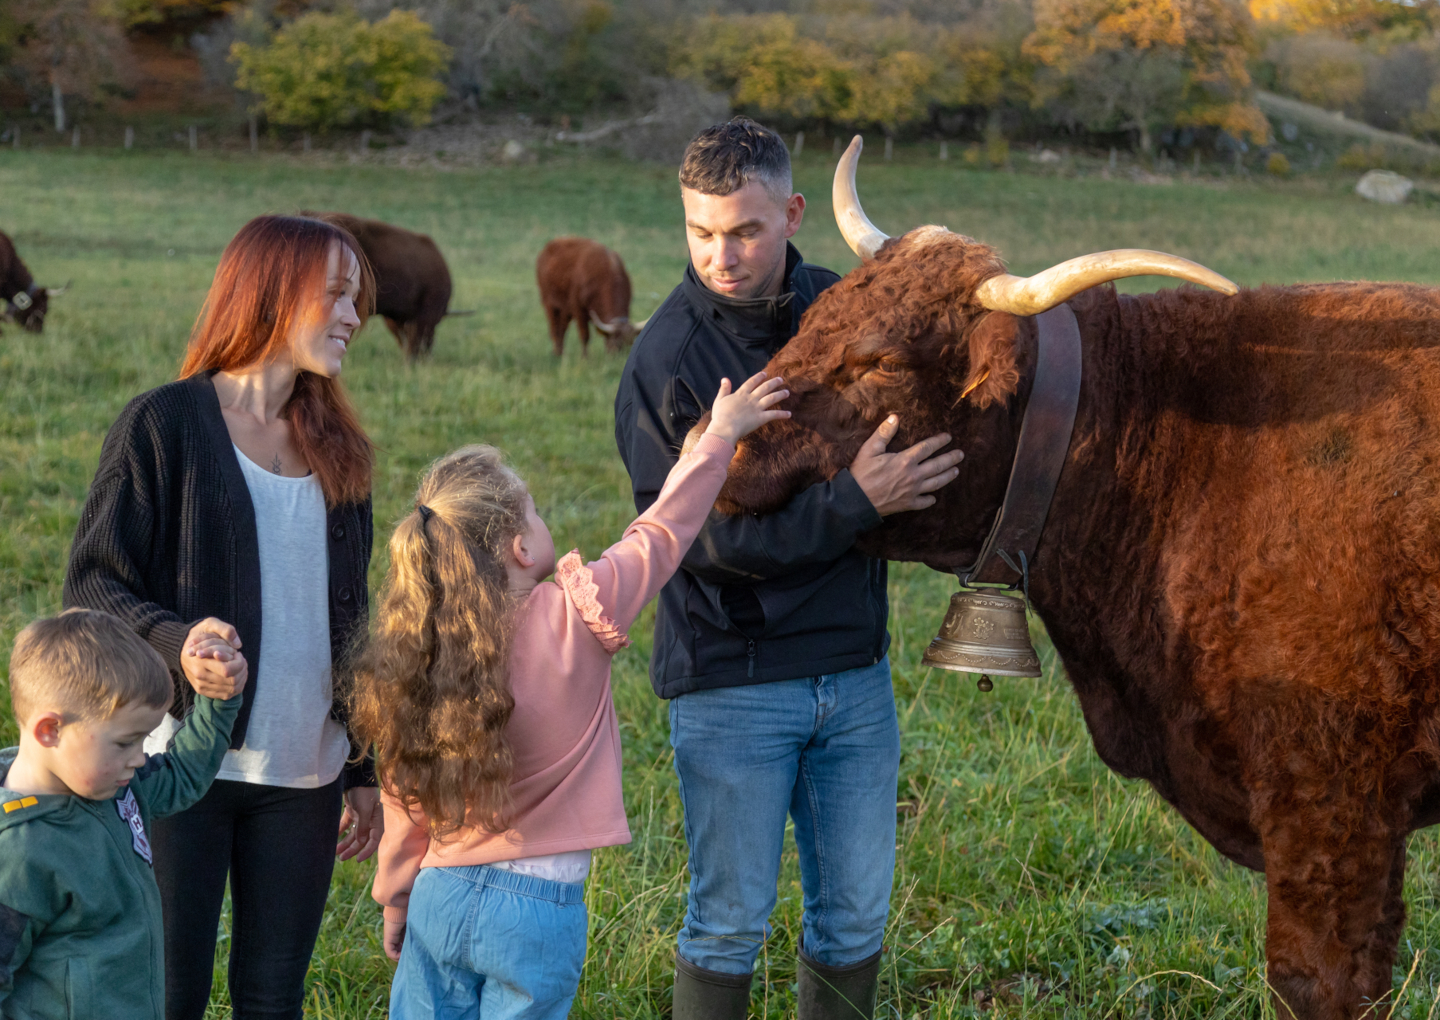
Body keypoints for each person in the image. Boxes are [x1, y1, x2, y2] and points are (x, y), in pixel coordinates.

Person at [613, 117, 965, 1020]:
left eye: (745, 230)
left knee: (854, 919)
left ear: (794, 212)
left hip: (854, 673)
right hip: (732, 683)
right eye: (701, 231)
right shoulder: (666, 364)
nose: (721, 255)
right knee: (728, 922)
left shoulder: (842, 308)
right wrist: (855, 504)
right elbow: (698, 544)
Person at [355, 372, 790, 1020]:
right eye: (532, 508)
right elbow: (660, 535)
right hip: (537, 911)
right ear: (520, 545)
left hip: (437, 896)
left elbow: (402, 797)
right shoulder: (577, 617)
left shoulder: (422, 654)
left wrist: (396, 898)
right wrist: (718, 438)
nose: (540, 516)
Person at [62, 215, 383, 1020]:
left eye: (357, 299)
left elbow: (355, 617)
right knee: (168, 995)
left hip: (305, 776)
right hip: (177, 771)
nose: (353, 316)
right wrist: (180, 645)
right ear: (272, 294)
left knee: (272, 999)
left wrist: (364, 768)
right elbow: (93, 584)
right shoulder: (162, 425)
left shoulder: (340, 443)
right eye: (336, 296)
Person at [0, 609, 245, 1019]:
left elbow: (182, 773)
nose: (138, 758)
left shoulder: (114, 787)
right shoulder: (17, 853)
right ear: (49, 731)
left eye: (143, 741)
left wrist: (219, 701)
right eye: (124, 743)